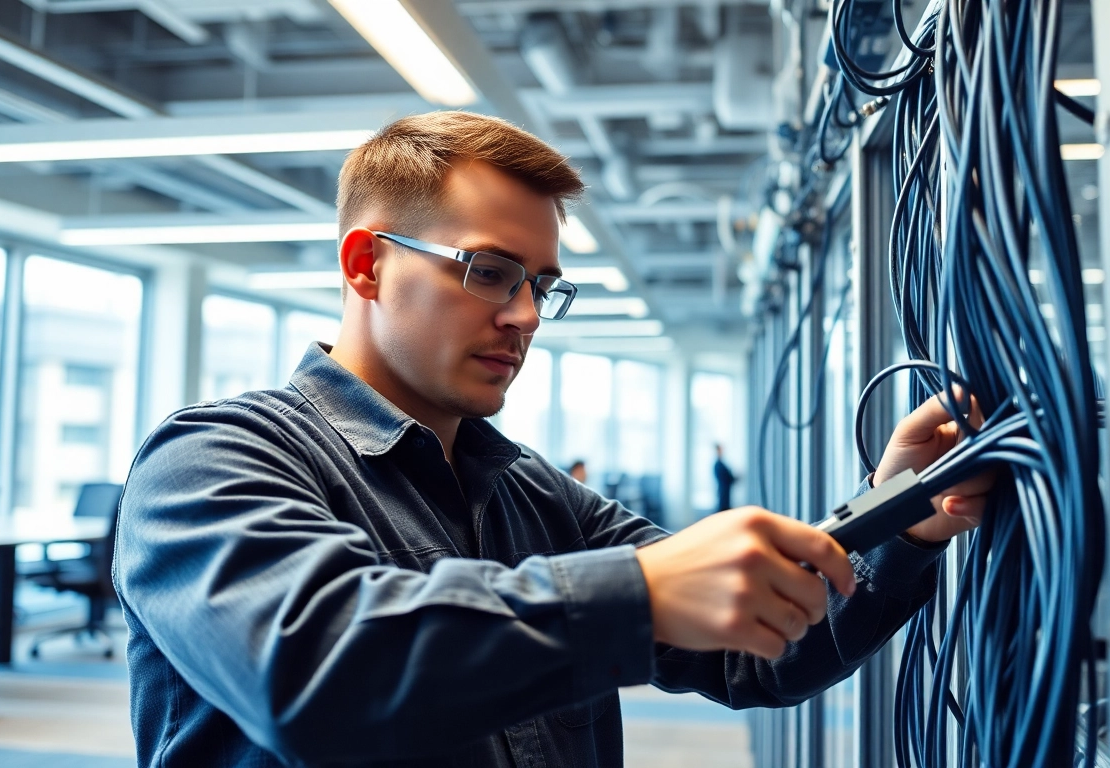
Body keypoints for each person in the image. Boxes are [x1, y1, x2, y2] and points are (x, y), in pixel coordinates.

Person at [113, 112, 989, 768]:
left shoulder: (530, 491)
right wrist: (638, 593)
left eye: (541, 285)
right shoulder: (211, 461)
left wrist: (900, 513)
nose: (526, 316)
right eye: (488, 272)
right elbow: (317, 672)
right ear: (365, 265)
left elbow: (754, 643)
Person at [713, 443, 735, 512]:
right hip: (723, 490)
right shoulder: (718, 464)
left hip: (725, 490)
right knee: (723, 507)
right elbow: (725, 477)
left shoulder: (721, 464)